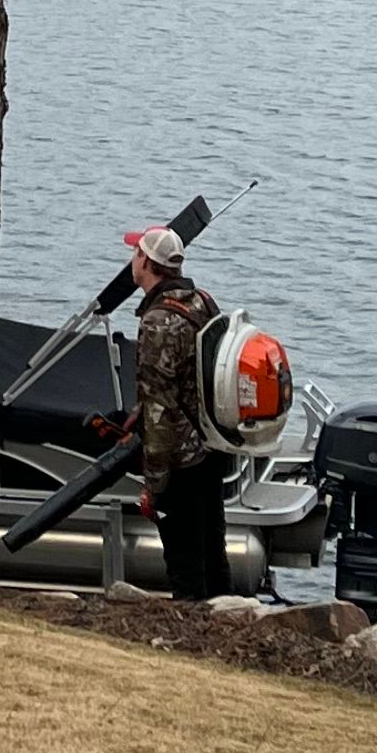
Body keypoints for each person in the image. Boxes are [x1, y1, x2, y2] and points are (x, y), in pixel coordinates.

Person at [129, 224, 231, 602]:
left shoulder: (157, 322)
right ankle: (228, 620)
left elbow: (158, 409)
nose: (131, 259)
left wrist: (154, 484)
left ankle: (195, 640)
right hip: (212, 448)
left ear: (146, 261)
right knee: (212, 555)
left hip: (181, 464)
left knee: (184, 565)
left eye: (135, 252)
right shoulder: (202, 301)